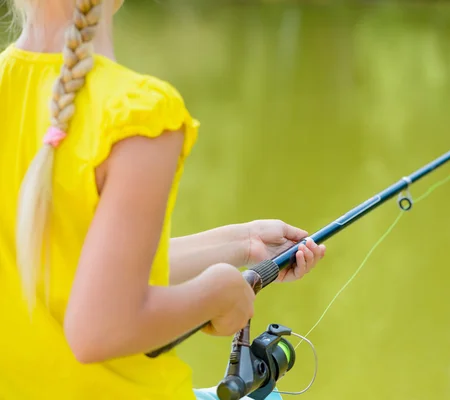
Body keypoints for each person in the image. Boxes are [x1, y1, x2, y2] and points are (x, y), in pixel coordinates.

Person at [0, 1, 326, 399]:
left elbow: (88, 274)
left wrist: (243, 242)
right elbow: (98, 330)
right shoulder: (138, 113)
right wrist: (218, 293)